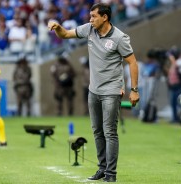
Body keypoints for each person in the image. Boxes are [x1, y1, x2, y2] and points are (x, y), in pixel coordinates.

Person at [48, 3, 139, 182]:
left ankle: (111, 174)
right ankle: (102, 169)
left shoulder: (120, 38)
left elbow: (133, 63)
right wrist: (58, 27)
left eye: (93, 16)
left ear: (104, 17)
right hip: (93, 90)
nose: (90, 20)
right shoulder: (89, 29)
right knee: (97, 131)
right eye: (90, 16)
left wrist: (134, 90)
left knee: (109, 132)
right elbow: (65, 34)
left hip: (111, 91)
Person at [164, 47, 181, 123]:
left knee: (178, 103)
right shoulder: (175, 62)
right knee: (173, 103)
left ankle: (179, 118)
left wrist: (171, 58)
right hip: (173, 86)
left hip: (178, 86)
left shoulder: (180, 61)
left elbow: (177, 67)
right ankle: (175, 118)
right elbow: (170, 73)